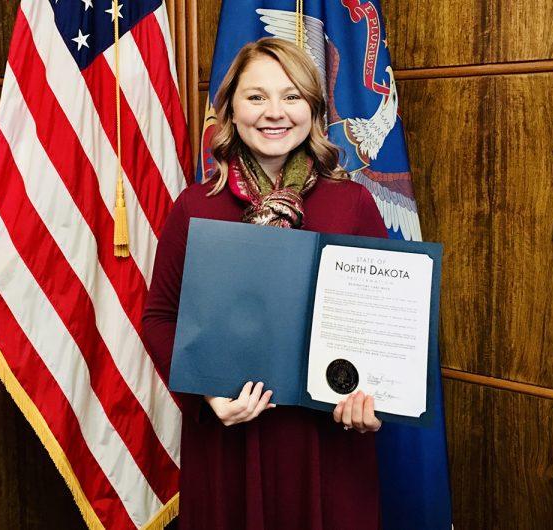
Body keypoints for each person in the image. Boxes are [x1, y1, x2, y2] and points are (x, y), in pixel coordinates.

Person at [142, 37, 388, 530]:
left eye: (292, 96)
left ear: (313, 109)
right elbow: (159, 318)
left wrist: (374, 396)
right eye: (256, 97)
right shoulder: (195, 206)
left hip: (326, 442)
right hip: (230, 435)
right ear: (230, 109)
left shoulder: (353, 204)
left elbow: (381, 327)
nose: (275, 112)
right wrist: (208, 393)